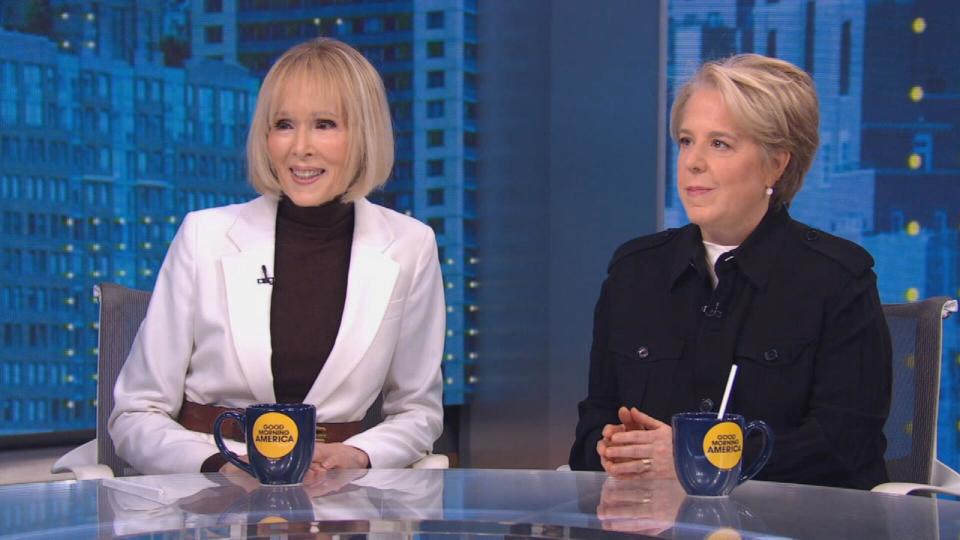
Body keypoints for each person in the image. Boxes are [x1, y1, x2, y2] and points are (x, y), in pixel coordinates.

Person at [108, 38, 445, 475]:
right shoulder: (204, 235)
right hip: (210, 498)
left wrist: (356, 456)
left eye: (325, 124)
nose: (300, 147)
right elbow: (135, 414)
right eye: (284, 124)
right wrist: (221, 464)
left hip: (342, 497)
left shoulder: (409, 245)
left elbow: (418, 412)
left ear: (364, 134)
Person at [569, 54, 891, 489]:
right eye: (686, 141)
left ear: (777, 163)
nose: (693, 162)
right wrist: (611, 449)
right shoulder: (634, 273)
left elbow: (845, 446)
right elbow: (591, 429)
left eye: (719, 143)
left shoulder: (837, 279)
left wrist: (697, 458)